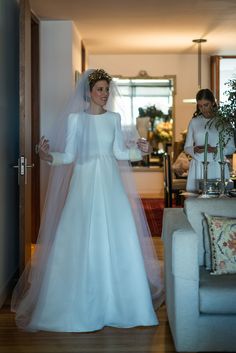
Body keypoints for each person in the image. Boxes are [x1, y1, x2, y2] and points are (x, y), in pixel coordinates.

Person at [11, 69, 164, 332]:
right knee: (78, 238)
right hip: (82, 185)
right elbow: (69, 156)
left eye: (107, 89)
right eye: (100, 90)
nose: (105, 94)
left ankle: (123, 305)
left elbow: (118, 152)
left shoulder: (114, 119)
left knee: (118, 237)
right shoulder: (75, 120)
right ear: (89, 93)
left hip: (110, 185)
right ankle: (75, 306)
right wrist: (48, 156)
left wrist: (140, 152)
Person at [184, 88, 235, 192]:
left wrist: (216, 150)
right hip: (198, 165)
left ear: (213, 103)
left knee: (219, 202)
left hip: (218, 164)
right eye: (200, 106)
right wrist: (194, 149)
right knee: (196, 202)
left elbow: (231, 147)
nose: (203, 109)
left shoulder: (223, 122)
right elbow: (187, 147)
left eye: (206, 105)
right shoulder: (194, 122)